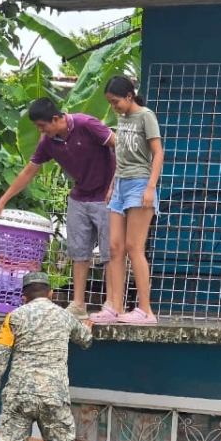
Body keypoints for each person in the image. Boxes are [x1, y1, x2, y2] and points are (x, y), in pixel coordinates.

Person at [0, 98, 116, 318]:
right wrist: (2, 201)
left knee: (109, 252)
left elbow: (118, 144)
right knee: (78, 251)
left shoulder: (86, 124)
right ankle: (78, 304)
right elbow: (29, 171)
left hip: (106, 197)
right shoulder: (48, 141)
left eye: (41, 125)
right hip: (79, 196)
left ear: (56, 119)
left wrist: (115, 185)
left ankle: (111, 304)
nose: (40, 130)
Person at [0, 271, 93, 441]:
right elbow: (85, 339)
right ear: (50, 294)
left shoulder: (14, 317)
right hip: (54, 397)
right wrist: (87, 329)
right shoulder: (65, 316)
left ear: (24, 298)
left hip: (19, 397)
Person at [89, 76, 164, 326]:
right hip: (120, 185)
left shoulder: (146, 116)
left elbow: (158, 153)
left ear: (129, 96)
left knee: (134, 246)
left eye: (116, 101)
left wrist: (150, 188)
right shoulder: (121, 118)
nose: (114, 107)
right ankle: (115, 307)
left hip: (140, 184)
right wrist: (112, 185)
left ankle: (145, 310)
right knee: (114, 247)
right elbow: (121, 155)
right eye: (110, 103)